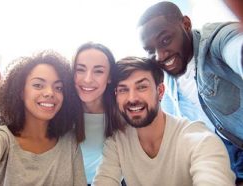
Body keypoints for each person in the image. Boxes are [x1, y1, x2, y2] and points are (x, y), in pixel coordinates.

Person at [137, 1, 243, 183]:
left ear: (186, 24)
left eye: (165, 40)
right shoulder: (166, 83)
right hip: (225, 162)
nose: (160, 56)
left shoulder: (215, 42)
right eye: (150, 51)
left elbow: (235, 47)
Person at [0, 50, 86, 185]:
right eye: (38, 85)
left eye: (58, 88)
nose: (50, 93)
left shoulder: (69, 141)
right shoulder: (1, 137)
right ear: (20, 92)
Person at [92, 56, 235, 186]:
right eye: (123, 90)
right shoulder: (116, 143)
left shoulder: (200, 140)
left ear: (160, 91)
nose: (132, 98)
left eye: (142, 87)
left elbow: (213, 178)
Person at [72, 42, 123, 185]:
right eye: (80, 70)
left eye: (98, 71)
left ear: (109, 77)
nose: (88, 79)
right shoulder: (60, 110)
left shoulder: (122, 113)